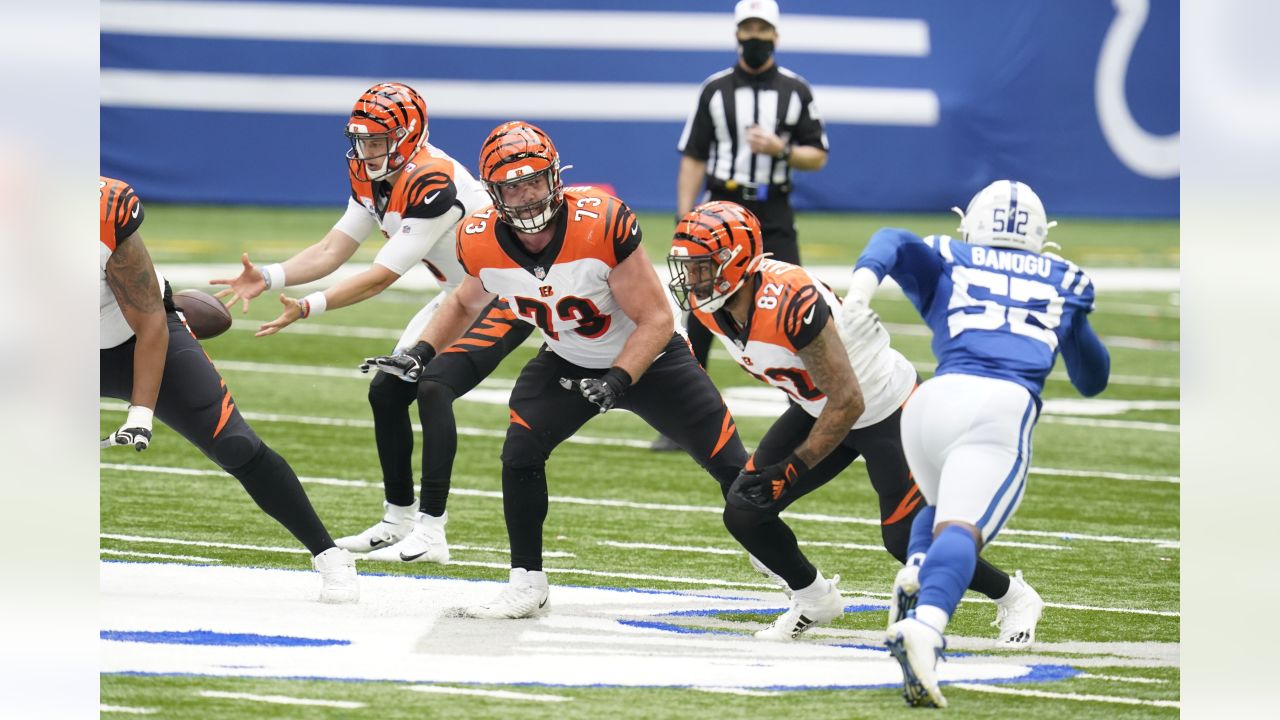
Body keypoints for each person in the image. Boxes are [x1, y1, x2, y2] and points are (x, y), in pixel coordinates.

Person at [365, 121, 751, 619]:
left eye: (533, 181)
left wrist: (618, 378)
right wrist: (421, 351)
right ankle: (528, 581)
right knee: (521, 451)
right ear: (493, 193)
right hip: (568, 357)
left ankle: (789, 572)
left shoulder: (600, 221)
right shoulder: (479, 238)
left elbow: (656, 319)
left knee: (736, 474)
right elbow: (464, 302)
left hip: (651, 358)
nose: (526, 197)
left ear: (555, 178)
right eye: (512, 186)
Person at [667, 201, 1042, 642]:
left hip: (886, 409)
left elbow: (848, 401)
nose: (691, 279)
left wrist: (789, 470)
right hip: (817, 408)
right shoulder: (713, 307)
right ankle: (814, 599)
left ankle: (1014, 596)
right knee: (746, 510)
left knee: (904, 540)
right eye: (688, 268)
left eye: (702, 267)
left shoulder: (789, 302)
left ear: (737, 263)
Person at [210, 82, 533, 564]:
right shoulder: (370, 176)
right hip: (459, 294)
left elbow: (380, 276)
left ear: (408, 136)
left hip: (509, 293)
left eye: (378, 140)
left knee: (433, 388)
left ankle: (432, 532)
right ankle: (397, 519)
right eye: (362, 140)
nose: (367, 150)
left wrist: (308, 307)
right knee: (387, 391)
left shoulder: (432, 180)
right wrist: (270, 276)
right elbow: (333, 249)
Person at [850, 180, 1111, 708]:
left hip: (929, 405)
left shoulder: (953, 256)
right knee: (963, 530)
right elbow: (1092, 379)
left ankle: (918, 572)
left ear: (970, 222)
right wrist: (1073, 324)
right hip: (998, 407)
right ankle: (926, 625)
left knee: (940, 509)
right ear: (1041, 235)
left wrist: (859, 290)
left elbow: (893, 238)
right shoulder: (1063, 279)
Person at [99, 176, 358, 603]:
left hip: (136, 338)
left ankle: (330, 555)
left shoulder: (102, 213)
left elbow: (148, 322)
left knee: (235, 444)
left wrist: (141, 413)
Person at [654, 0, 829, 451]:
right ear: (737, 34)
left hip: (773, 210)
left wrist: (781, 150)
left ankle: (808, 407)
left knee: (795, 301)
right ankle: (689, 414)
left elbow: (819, 154)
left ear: (775, 34)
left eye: (762, 28)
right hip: (722, 209)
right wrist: (683, 213)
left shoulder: (796, 89)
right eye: (747, 27)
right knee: (700, 308)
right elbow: (693, 154)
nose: (755, 36)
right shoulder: (715, 90)